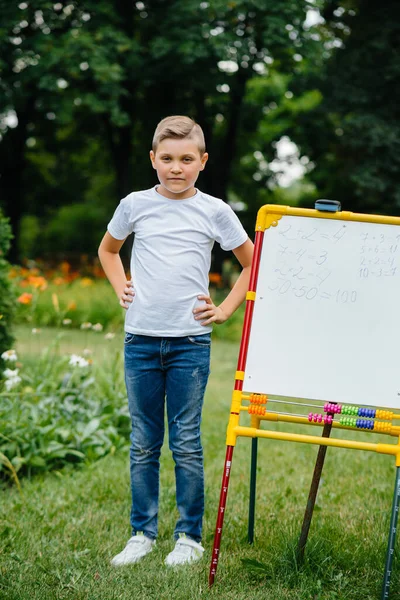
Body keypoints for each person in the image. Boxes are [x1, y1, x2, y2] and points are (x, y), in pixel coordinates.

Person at [98, 115, 253, 567]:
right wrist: (119, 284)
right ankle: (141, 534)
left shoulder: (215, 211)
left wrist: (224, 310)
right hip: (141, 341)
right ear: (153, 159)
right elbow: (108, 250)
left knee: (185, 440)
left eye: (187, 159)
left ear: (202, 162)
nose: (176, 168)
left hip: (190, 343)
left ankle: (189, 537)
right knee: (144, 440)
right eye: (167, 159)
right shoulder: (134, 205)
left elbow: (252, 262)